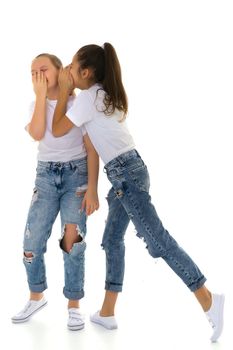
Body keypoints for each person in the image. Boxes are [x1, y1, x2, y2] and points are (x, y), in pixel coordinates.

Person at [51, 43, 225, 342]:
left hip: (126, 176)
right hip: (128, 172)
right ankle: (107, 312)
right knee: (112, 239)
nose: (67, 70)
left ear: (86, 72)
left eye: (71, 66)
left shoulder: (87, 99)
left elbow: (56, 130)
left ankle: (208, 298)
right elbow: (92, 145)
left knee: (158, 241)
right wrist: (93, 187)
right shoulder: (102, 95)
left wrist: (65, 89)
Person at [11, 53, 99, 331]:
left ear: (60, 71)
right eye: (32, 72)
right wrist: (40, 97)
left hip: (76, 178)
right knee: (31, 242)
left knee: (72, 243)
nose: (37, 74)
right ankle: (36, 296)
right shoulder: (33, 105)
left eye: (43, 69)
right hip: (46, 177)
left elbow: (91, 150)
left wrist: (92, 189)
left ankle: (74, 304)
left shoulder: (77, 104)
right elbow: (38, 133)